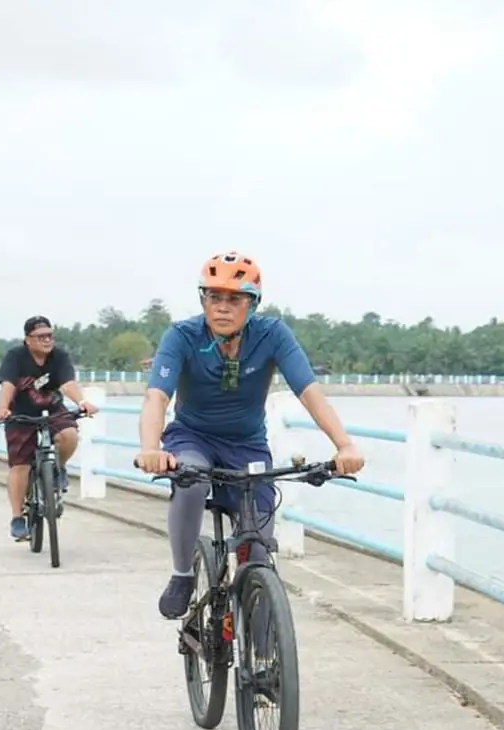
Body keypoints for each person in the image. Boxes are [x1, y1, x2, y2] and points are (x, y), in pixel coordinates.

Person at [134, 251, 366, 618]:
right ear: (203, 300)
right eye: (214, 297)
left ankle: (256, 637)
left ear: (253, 304)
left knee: (257, 550)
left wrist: (344, 444)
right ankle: (181, 574)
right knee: (190, 480)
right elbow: (156, 397)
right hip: (191, 438)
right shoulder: (182, 335)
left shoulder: (273, 335)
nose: (222, 307)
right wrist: (150, 448)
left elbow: (308, 391)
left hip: (247, 446)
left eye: (234, 299)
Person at [0, 315, 98, 541]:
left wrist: (82, 402)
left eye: (50, 335)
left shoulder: (60, 357)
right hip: (20, 413)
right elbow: (8, 384)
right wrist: (2, 407)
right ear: (27, 339)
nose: (47, 340)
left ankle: (58, 468)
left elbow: (68, 383)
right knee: (20, 465)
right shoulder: (15, 356)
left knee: (69, 435)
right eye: (40, 337)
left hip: (52, 410)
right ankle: (17, 517)